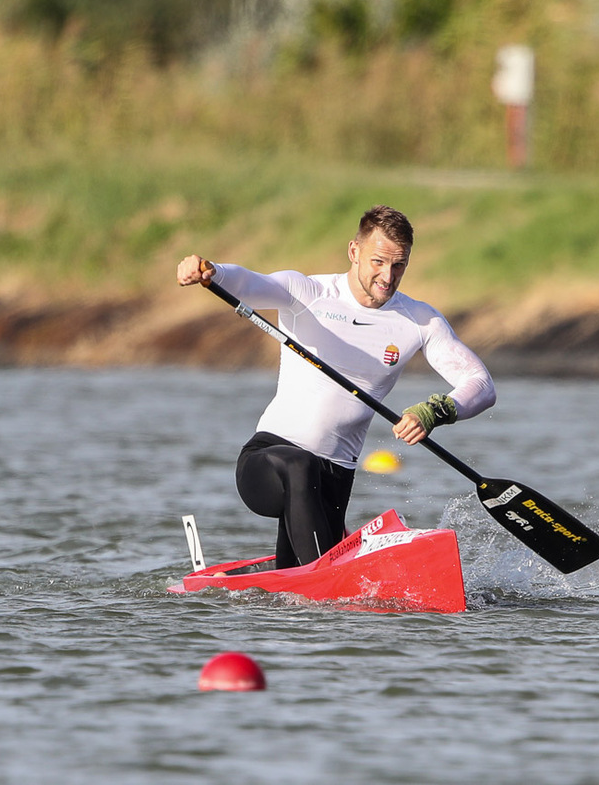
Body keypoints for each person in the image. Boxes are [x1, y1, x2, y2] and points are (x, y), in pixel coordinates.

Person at [176, 205, 496, 569]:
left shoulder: (419, 321)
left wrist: (434, 411)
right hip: (269, 462)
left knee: (295, 588)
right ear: (354, 252)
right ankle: (320, 581)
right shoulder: (307, 291)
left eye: (399, 265)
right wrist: (211, 271)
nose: (387, 276)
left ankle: (285, 592)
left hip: (334, 478)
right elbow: (249, 283)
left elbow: (481, 384)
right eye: (378, 262)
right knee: (300, 466)